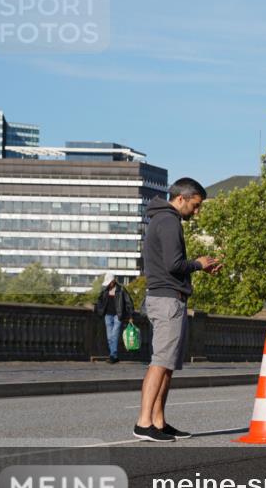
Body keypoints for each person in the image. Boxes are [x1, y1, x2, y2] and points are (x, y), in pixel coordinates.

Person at [133, 178, 220, 443]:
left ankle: (158, 421)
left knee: (167, 364)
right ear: (181, 198)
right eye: (195, 206)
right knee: (160, 362)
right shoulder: (169, 220)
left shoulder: (161, 219)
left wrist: (197, 267)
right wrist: (198, 264)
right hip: (167, 298)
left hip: (167, 297)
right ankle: (143, 422)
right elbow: (174, 264)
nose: (197, 212)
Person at [94, 272, 134, 364]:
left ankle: (113, 355)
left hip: (118, 315)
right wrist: (99, 310)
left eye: (109, 283)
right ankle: (114, 356)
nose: (108, 285)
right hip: (107, 315)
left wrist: (130, 316)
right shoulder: (105, 290)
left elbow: (129, 303)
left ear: (113, 281)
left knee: (114, 335)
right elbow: (99, 300)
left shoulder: (121, 290)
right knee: (109, 337)